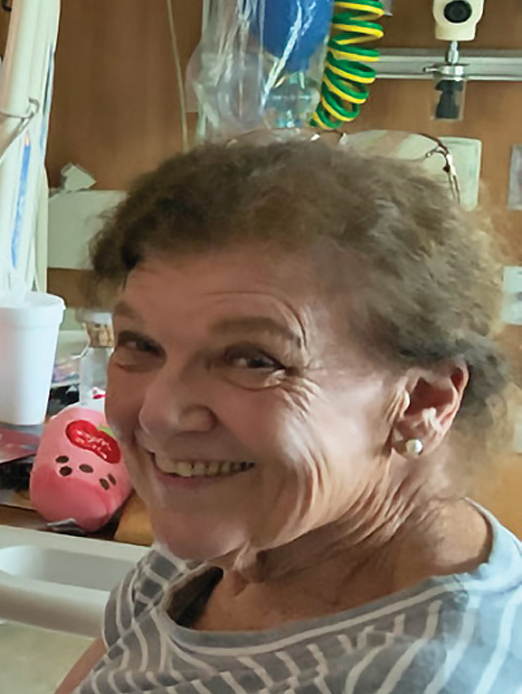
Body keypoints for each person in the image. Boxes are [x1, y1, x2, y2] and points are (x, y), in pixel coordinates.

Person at [54, 139, 520, 693]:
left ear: (423, 403)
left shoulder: (409, 679)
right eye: (141, 344)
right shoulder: (240, 528)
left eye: (253, 359)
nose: (159, 414)